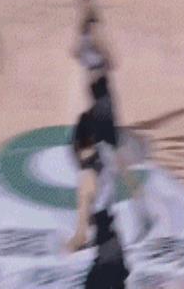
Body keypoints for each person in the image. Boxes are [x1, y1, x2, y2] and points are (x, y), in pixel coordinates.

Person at [71, 0, 152, 244]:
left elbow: (113, 59)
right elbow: (74, 52)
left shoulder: (95, 25)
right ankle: (108, 213)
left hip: (103, 100)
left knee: (106, 159)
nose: (81, 1)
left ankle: (135, 213)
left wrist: (98, 64)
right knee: (107, 160)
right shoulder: (85, 24)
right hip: (98, 100)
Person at [67, 112, 129, 289]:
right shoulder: (108, 160)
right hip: (115, 248)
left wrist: (68, 246)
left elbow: (81, 236)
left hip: (106, 254)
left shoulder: (86, 177)